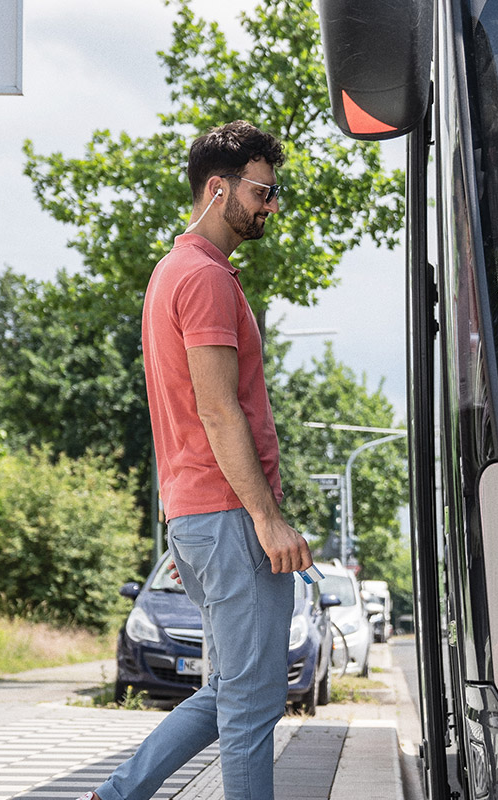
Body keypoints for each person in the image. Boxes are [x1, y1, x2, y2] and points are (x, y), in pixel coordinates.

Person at [83, 121, 313, 800]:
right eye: (262, 191)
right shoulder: (204, 279)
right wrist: (268, 521)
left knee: (233, 691)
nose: (271, 206)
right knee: (251, 705)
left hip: (198, 512)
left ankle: (116, 796)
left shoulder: (171, 273)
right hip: (228, 515)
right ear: (218, 189)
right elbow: (217, 410)